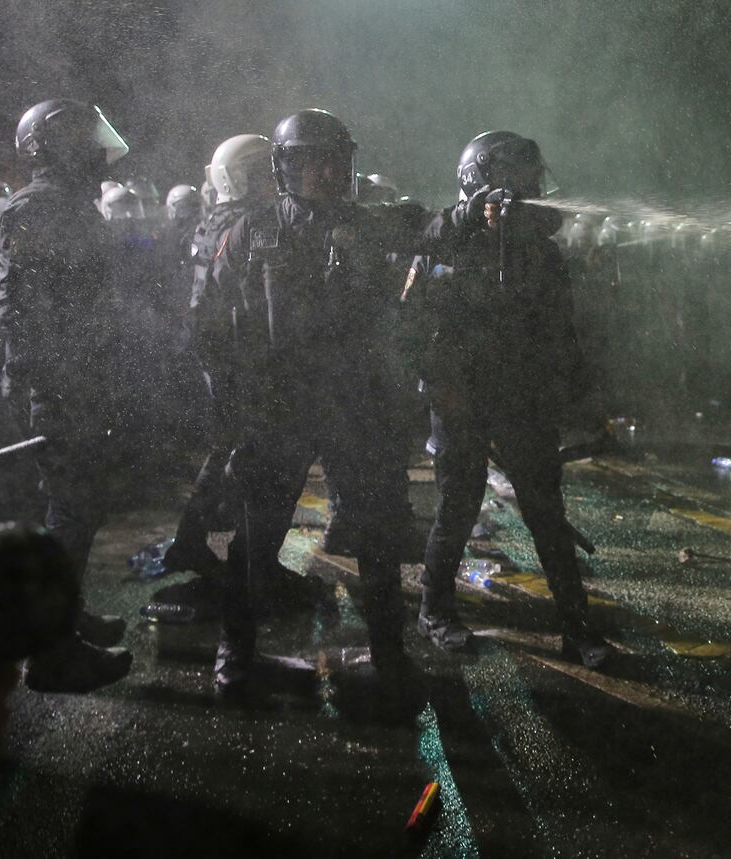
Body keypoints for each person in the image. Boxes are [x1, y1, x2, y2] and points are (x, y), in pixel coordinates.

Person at [209, 110, 430, 699]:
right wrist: (232, 414)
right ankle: (235, 658)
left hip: (355, 407)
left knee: (377, 533)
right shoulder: (251, 232)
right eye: (310, 160)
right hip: (277, 408)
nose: (326, 172)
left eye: (335, 160)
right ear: (284, 167)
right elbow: (208, 326)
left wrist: (480, 212)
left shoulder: (374, 227)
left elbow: (436, 231)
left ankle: (389, 653)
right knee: (256, 538)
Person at [409, 131, 610, 668]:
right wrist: (436, 384)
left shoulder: (540, 254)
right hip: (460, 398)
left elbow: (560, 333)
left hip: (523, 399)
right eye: (514, 181)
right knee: (457, 508)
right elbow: (414, 315)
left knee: (546, 514)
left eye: (528, 181)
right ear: (480, 183)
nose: (526, 191)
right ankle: (433, 611)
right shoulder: (447, 240)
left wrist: (578, 402)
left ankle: (578, 627)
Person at [0, 98, 135, 692]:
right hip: (62, 389)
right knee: (70, 515)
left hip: (79, 383)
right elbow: (23, 312)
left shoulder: (64, 205)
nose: (95, 151)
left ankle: (64, 619)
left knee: (81, 507)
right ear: (50, 147)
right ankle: (50, 654)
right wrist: (56, 389)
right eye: (83, 140)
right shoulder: (38, 210)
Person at [164, 134, 274, 578]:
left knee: (230, 443)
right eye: (263, 171)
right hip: (235, 350)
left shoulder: (217, 218)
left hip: (216, 347)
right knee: (242, 446)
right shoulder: (243, 222)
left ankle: (192, 543)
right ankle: (201, 546)